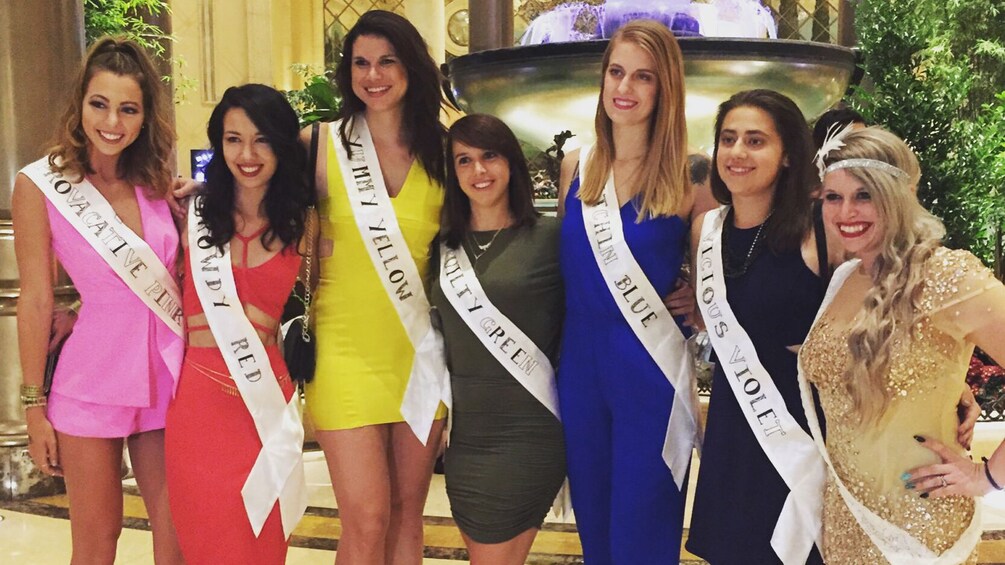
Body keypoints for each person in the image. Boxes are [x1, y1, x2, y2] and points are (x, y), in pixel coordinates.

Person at [12, 37, 184, 564]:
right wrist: (33, 408)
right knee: (96, 538)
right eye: (100, 104)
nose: (113, 121)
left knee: (176, 535)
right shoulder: (40, 185)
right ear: (80, 104)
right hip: (90, 380)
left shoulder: (156, 182)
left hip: (165, 373)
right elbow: (37, 299)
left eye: (128, 108)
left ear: (144, 115)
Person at [800, 125, 1005, 563]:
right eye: (833, 197)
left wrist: (987, 477)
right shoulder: (844, 279)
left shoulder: (947, 276)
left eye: (864, 195)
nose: (846, 211)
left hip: (922, 526)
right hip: (844, 518)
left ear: (900, 195)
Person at [555, 19, 710, 563]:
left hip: (650, 375)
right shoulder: (577, 165)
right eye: (616, 73)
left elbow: (720, 278)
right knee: (596, 530)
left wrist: (702, 301)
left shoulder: (693, 179)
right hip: (579, 370)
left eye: (642, 77)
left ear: (664, 88)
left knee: (642, 533)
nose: (624, 88)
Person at [303, 10, 452, 564]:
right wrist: (200, 188)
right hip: (343, 353)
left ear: (412, 66)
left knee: (408, 515)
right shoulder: (318, 145)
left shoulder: (445, 150)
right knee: (366, 519)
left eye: (387, 60)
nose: (374, 75)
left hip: (418, 355)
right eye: (361, 63)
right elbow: (248, 191)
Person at [163, 84, 313, 564]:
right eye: (233, 139)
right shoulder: (191, 214)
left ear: (283, 144)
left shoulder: (306, 223)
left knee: (262, 543)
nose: (247, 154)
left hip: (264, 402)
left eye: (262, 139)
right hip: (197, 407)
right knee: (204, 540)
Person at [686, 89, 835, 565]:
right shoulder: (705, 229)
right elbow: (717, 316)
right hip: (735, 427)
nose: (737, 153)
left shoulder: (822, 227)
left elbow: (888, 312)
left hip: (806, 433)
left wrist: (951, 387)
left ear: (788, 154)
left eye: (755, 141)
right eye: (727, 139)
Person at [429, 114, 566, 564]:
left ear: (511, 162)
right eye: (464, 160)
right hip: (468, 437)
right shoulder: (441, 248)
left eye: (490, 156)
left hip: (530, 429)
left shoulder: (551, 238)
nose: (479, 171)